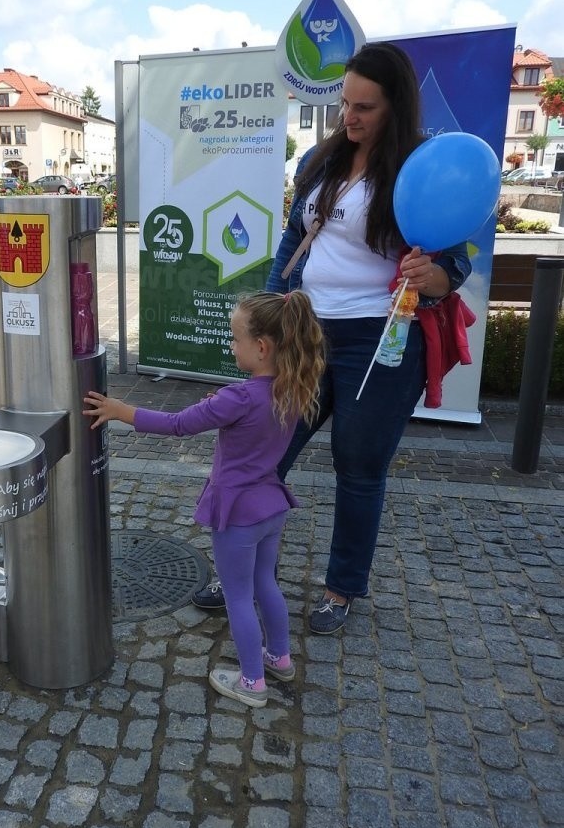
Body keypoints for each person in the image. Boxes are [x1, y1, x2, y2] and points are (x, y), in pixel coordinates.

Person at [193, 42, 472, 634]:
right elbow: (291, 247)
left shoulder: (418, 168)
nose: (350, 116)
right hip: (308, 332)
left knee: (358, 462)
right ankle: (235, 567)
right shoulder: (319, 162)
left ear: (395, 107)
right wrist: (269, 320)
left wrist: (435, 278)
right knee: (265, 451)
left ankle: (341, 590)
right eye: (345, 102)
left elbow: (455, 267)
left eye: (364, 107)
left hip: (382, 340)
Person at [84, 291, 325, 707]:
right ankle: (280, 657)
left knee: (236, 595)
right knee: (266, 583)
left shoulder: (240, 397)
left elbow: (178, 425)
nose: (232, 346)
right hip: (271, 505)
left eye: (235, 339)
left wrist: (123, 411)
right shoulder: (293, 388)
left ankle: (252, 683)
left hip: (238, 513)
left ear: (262, 347)